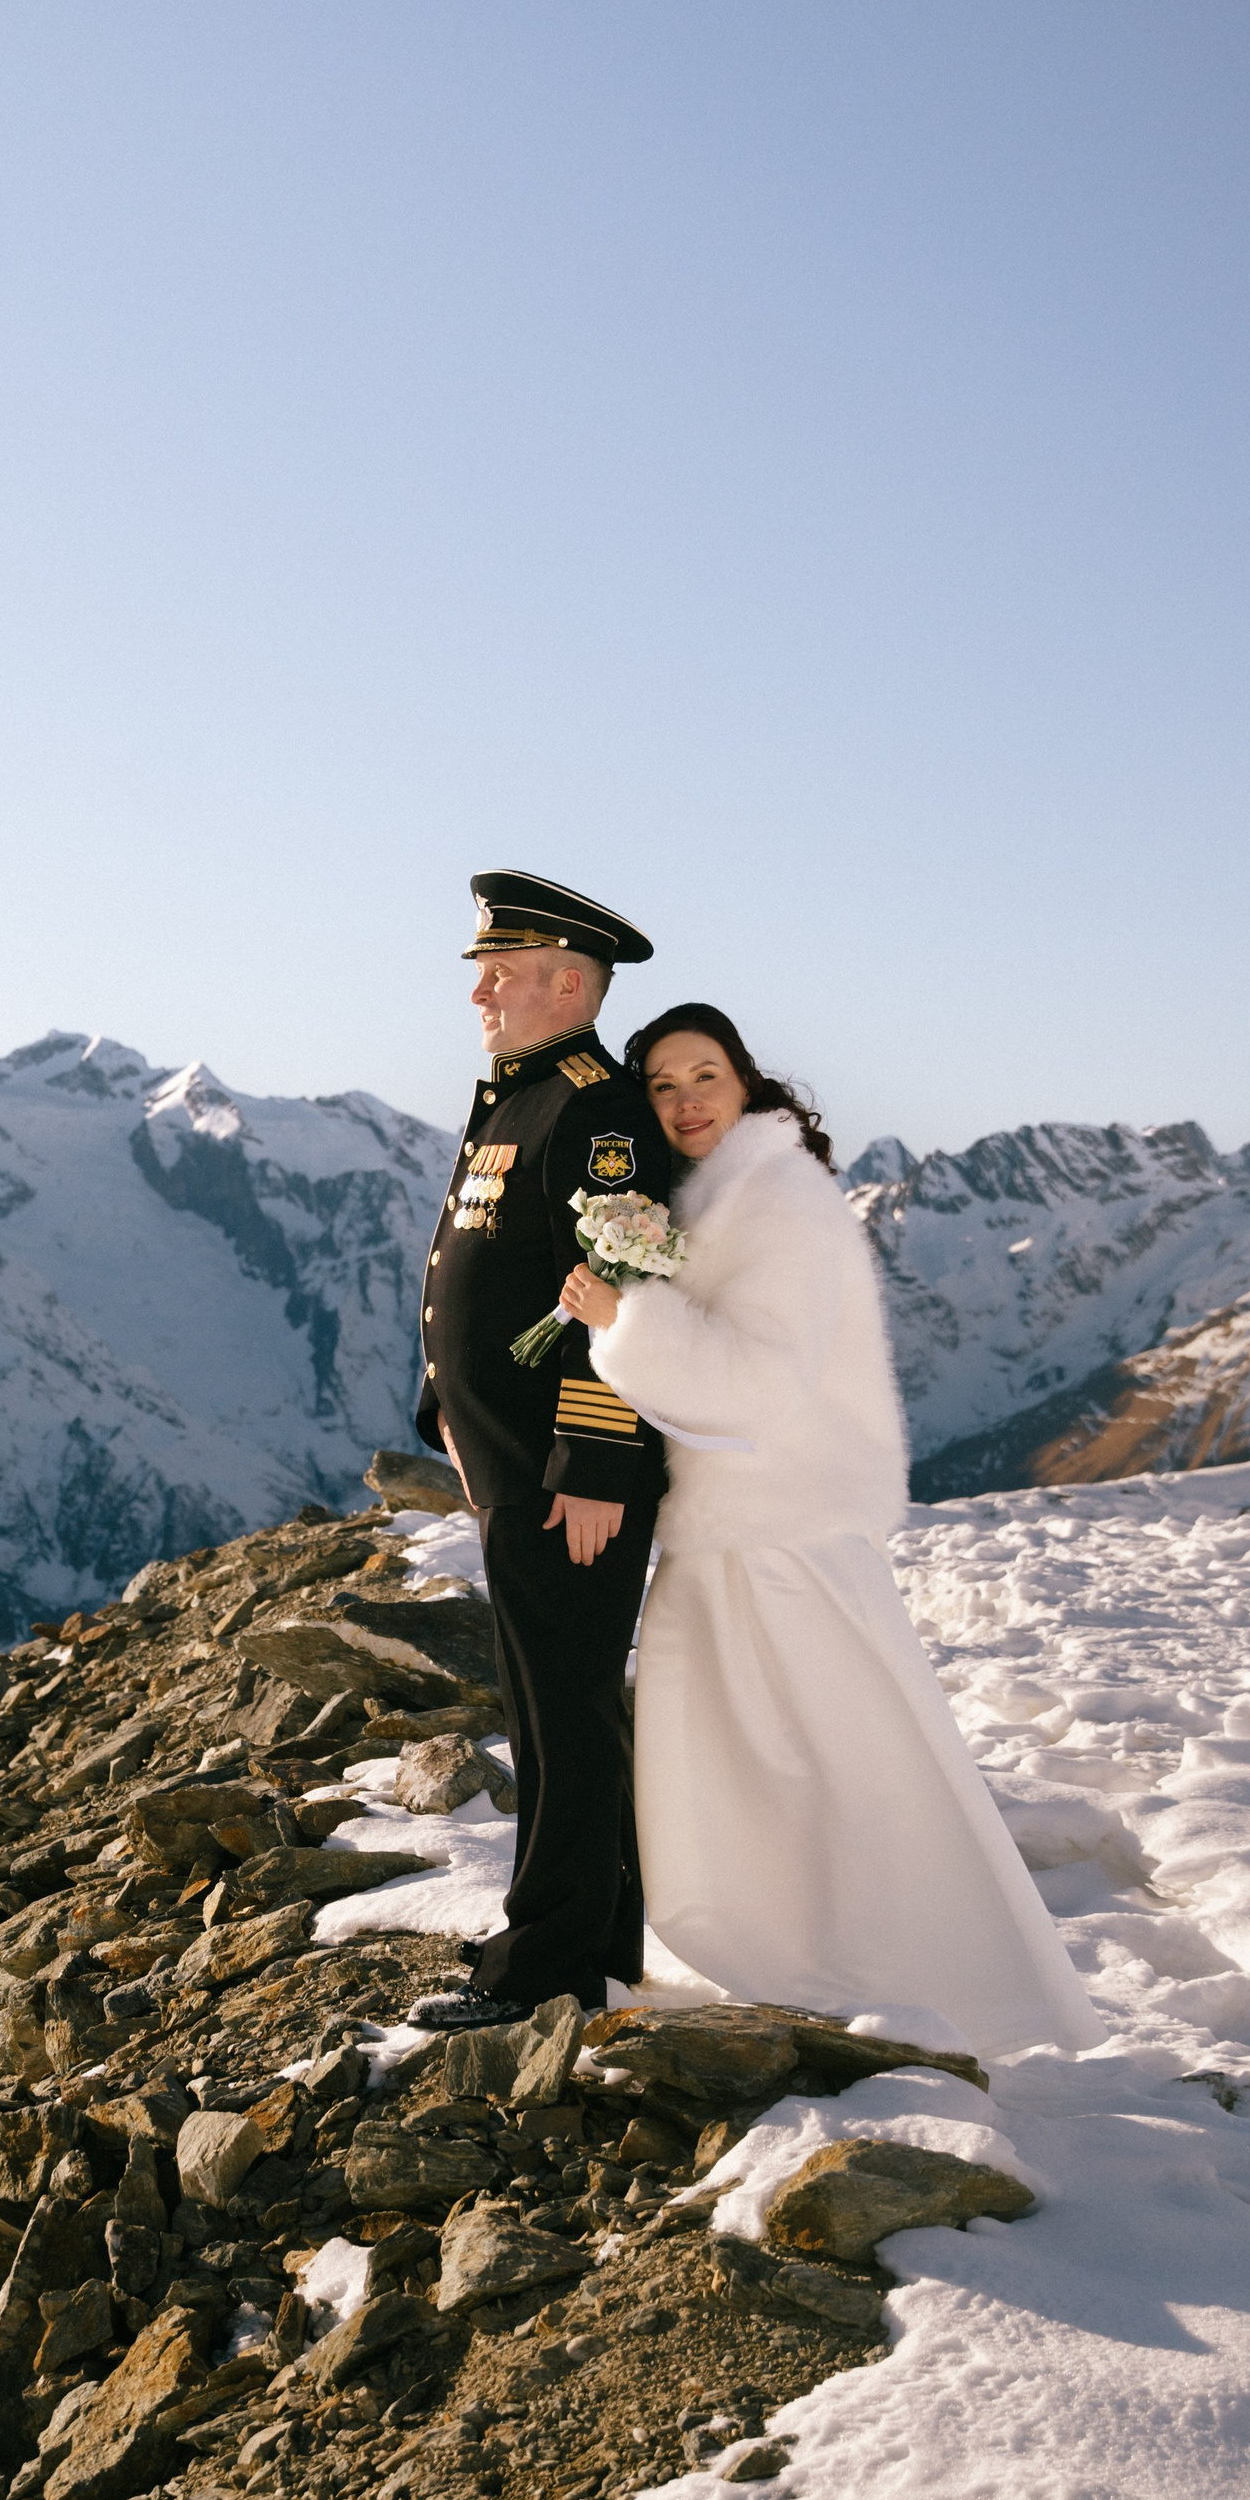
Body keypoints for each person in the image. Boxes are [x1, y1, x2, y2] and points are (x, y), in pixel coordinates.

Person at [568, 1004, 1103, 2055]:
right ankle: (803, 1955)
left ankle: (887, 1970)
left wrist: (624, 1318)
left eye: (704, 1076)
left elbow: (759, 1378)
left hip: (777, 1529)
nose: (683, 1102)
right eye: (663, 1084)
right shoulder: (725, 1193)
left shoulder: (782, 1205)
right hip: (744, 1520)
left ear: (747, 1084)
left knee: (816, 1753)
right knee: (771, 1754)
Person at [407, 870, 675, 2030]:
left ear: (569, 983)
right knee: (549, 1698)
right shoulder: (517, 1097)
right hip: (508, 1458)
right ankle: (593, 1931)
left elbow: (624, 1284)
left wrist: (594, 1467)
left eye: (499, 971)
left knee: (560, 1709)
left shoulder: (593, 1108)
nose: (478, 989)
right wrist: (448, 1413)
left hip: (568, 1475)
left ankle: (547, 1967)